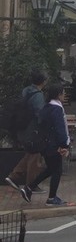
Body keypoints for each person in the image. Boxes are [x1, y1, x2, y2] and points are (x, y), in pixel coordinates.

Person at [5, 71, 48, 202]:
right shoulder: (38, 95)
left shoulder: (26, 90)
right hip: (33, 130)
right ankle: (31, 185)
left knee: (30, 153)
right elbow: (40, 114)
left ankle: (14, 176)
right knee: (35, 155)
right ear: (43, 81)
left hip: (22, 128)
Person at [27, 83, 71, 206]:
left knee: (51, 169)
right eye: (63, 92)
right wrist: (64, 145)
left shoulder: (46, 107)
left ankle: (29, 188)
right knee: (57, 171)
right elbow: (59, 128)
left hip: (46, 144)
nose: (65, 94)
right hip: (54, 145)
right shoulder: (57, 109)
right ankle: (51, 198)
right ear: (58, 94)